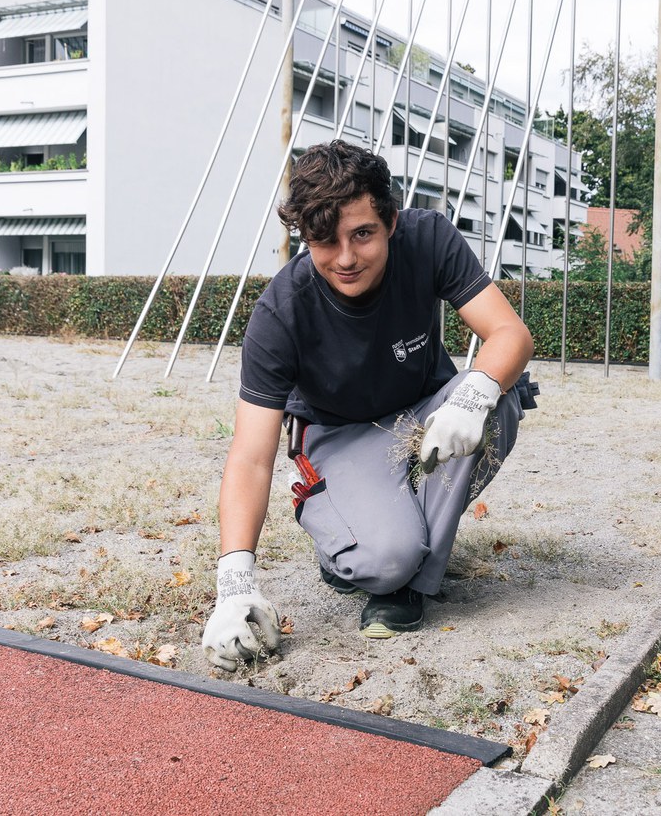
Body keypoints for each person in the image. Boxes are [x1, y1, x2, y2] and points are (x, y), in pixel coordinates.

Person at [202, 140, 536, 671]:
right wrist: (233, 586)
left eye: (362, 234)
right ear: (303, 236)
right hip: (341, 435)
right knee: (385, 558)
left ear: (392, 222)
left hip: (428, 410)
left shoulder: (427, 238)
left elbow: (509, 334)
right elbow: (250, 457)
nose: (347, 258)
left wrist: (471, 398)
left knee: (500, 391)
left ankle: (409, 587)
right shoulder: (281, 311)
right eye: (324, 240)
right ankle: (361, 548)